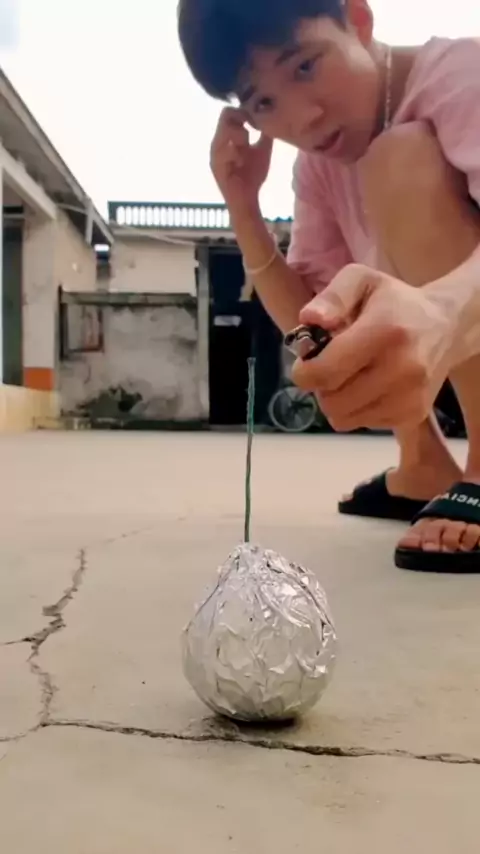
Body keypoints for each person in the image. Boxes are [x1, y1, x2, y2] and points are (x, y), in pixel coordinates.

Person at [177, 0, 480, 572]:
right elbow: (314, 321)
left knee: (398, 158)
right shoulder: (318, 168)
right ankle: (422, 462)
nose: (303, 120)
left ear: (358, 20)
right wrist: (243, 208)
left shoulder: (462, 76)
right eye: (263, 103)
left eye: (305, 66)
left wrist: (444, 308)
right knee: (346, 301)